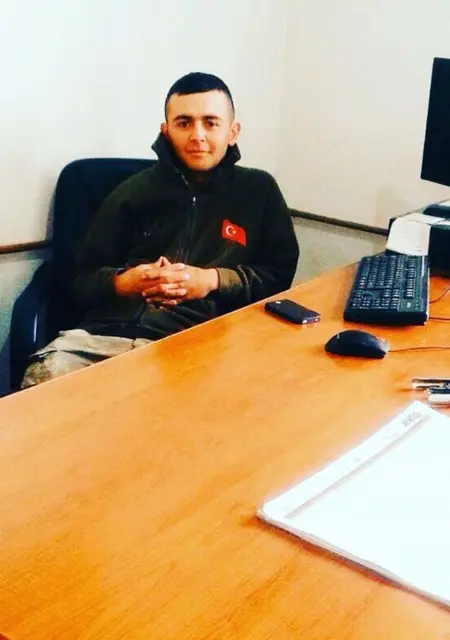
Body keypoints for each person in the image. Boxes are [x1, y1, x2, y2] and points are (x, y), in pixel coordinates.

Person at [21, 72, 299, 388]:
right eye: (184, 123)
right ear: (166, 131)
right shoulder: (131, 192)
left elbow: (278, 276)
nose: (197, 135)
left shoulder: (258, 191)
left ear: (232, 131)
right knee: (39, 392)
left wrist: (211, 280)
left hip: (196, 345)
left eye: (211, 123)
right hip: (99, 340)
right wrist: (123, 283)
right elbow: (78, 280)